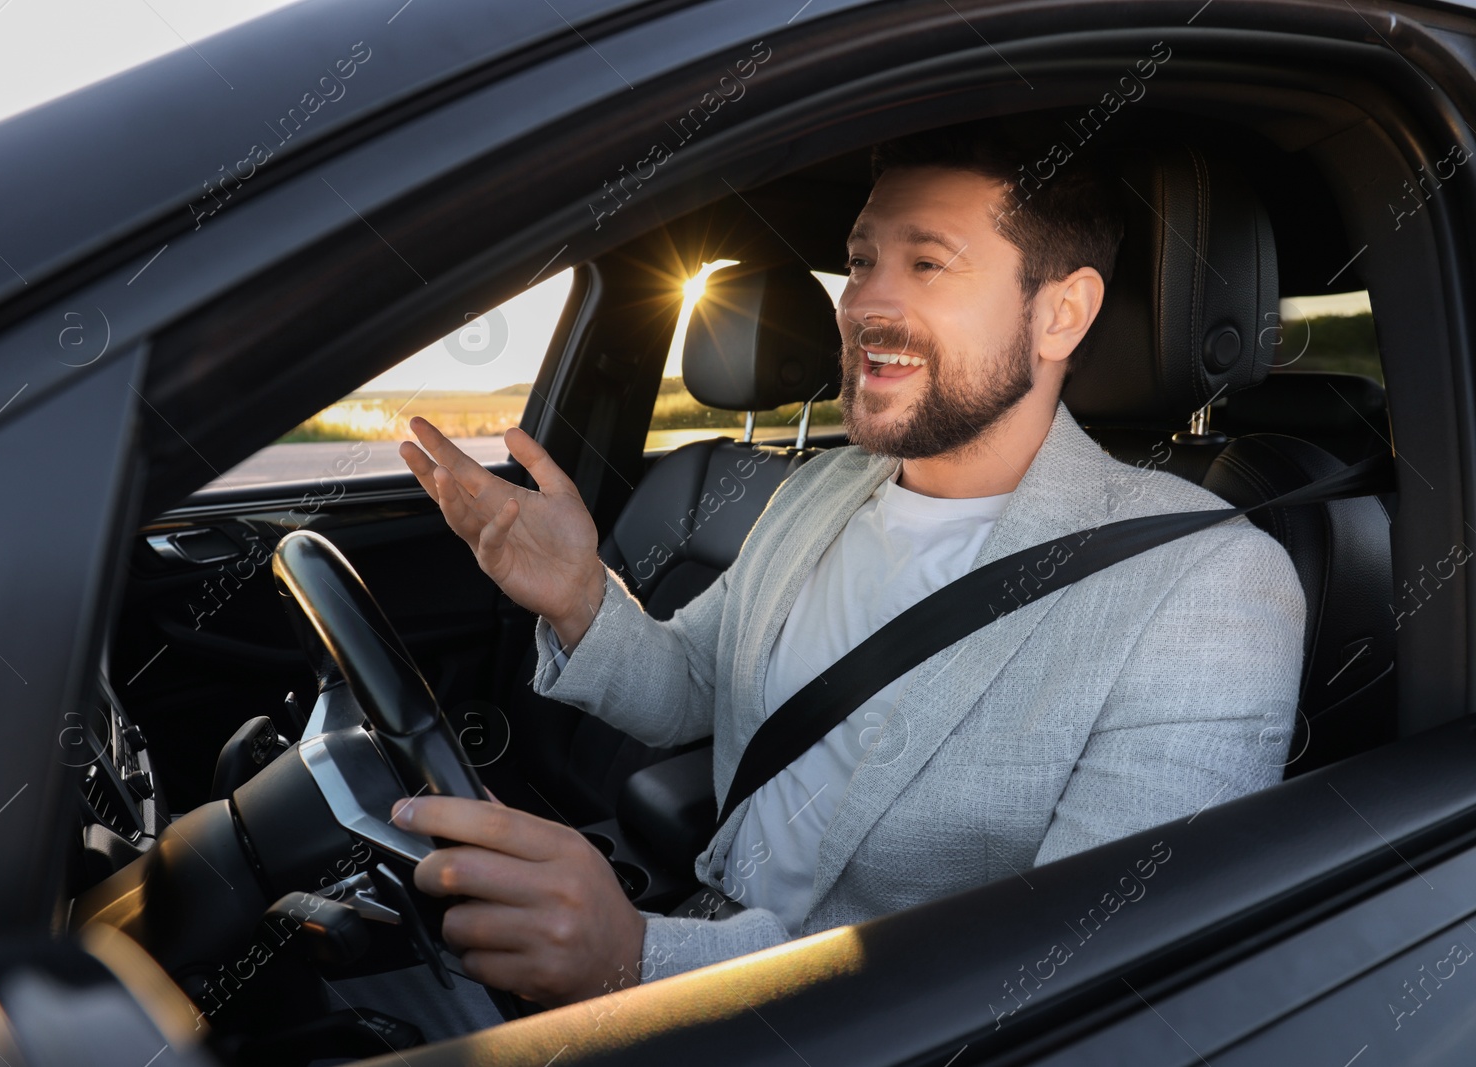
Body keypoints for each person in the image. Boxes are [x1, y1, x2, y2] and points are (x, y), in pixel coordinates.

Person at [387, 125, 1305, 1014]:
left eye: (928, 262)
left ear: (1061, 312)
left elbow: (1074, 975)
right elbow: (695, 686)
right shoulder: (820, 489)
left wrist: (636, 958)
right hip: (687, 932)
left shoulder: (1206, 585)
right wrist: (582, 595)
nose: (863, 301)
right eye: (862, 260)